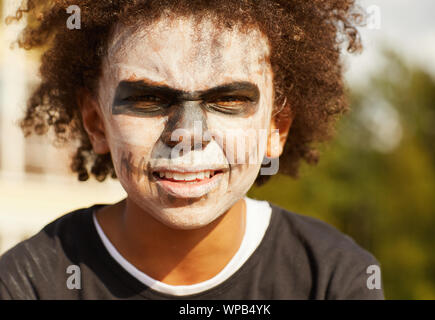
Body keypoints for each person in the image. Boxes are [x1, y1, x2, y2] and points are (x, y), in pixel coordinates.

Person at [0, 0, 384, 299]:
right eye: (149, 98)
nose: (187, 134)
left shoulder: (333, 280)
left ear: (276, 128)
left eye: (228, 100)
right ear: (96, 122)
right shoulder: (28, 284)